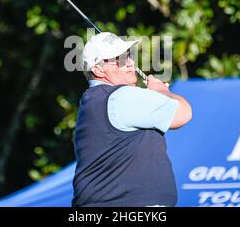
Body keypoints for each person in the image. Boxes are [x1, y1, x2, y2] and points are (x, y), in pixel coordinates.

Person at [72, 32, 192, 207]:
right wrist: (161, 91)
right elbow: (184, 113)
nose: (129, 63)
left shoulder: (92, 99)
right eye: (118, 59)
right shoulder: (121, 96)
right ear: (98, 70)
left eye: (128, 56)